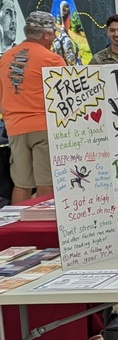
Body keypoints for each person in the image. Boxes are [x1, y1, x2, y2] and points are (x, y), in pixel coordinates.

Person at [0, 11, 65, 203]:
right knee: (46, 182)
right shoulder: (52, 59)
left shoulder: (6, 58)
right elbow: (64, 98)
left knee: (21, 183)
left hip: (14, 127)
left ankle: (18, 228)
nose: (54, 37)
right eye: (53, 32)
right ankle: (43, 228)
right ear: (45, 34)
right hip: (44, 126)